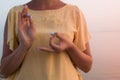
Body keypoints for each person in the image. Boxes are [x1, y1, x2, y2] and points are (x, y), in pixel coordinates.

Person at [0, 0, 93, 80]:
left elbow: (87, 66)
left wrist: (70, 47)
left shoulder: (74, 12)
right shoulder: (16, 13)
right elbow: (4, 70)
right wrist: (23, 46)